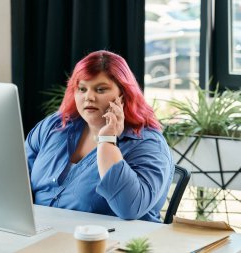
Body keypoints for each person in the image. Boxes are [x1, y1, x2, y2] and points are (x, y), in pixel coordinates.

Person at [25, 50, 174, 222]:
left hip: (112, 243)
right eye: (81, 89)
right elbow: (17, 175)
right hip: (44, 235)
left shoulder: (148, 144)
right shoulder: (55, 125)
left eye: (100, 89)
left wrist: (107, 142)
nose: (89, 97)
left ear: (123, 95)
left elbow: (130, 208)